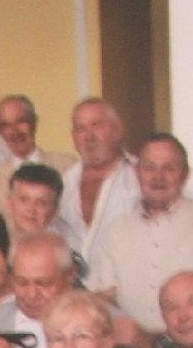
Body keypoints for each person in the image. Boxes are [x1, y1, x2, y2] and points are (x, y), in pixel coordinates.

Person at [88, 134, 193, 348]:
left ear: (185, 175)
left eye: (169, 168)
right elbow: (102, 297)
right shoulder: (116, 231)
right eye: (149, 168)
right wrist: (135, 335)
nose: (158, 177)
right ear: (137, 173)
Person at [59, 98, 139, 262]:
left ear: (117, 130)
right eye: (80, 129)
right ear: (73, 136)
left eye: (96, 125)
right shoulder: (64, 182)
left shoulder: (140, 178)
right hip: (73, 278)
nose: (89, 136)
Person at [0, 94, 75, 213]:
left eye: (21, 121)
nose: (15, 131)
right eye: (6, 125)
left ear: (34, 122)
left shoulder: (67, 165)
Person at [3, 161, 68, 249]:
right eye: (23, 199)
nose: (31, 209)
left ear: (55, 211)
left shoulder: (65, 254)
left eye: (42, 203)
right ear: (9, 203)